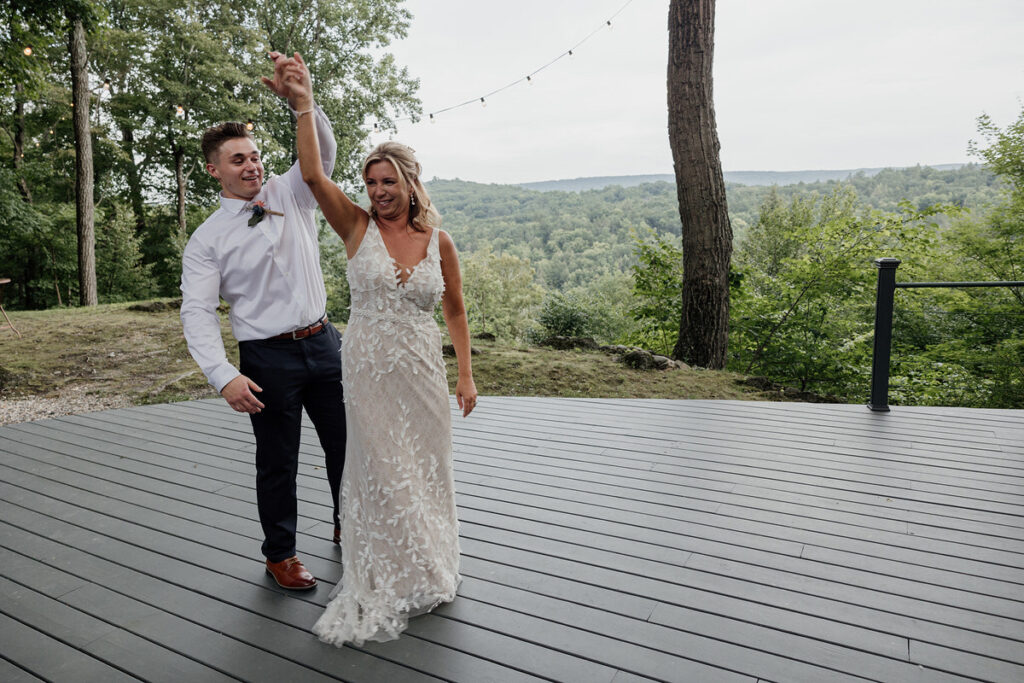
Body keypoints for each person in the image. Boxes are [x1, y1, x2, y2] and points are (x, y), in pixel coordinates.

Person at [272, 54, 477, 646]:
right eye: (371, 183)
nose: (379, 191)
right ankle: (382, 569)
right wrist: (303, 104)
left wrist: (464, 376)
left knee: (427, 467)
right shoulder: (356, 227)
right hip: (365, 371)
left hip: (422, 374)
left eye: (389, 182)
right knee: (382, 469)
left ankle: (426, 563)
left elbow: (456, 310)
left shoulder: (439, 241)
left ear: (410, 183)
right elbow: (312, 176)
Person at [180, 52, 345, 591]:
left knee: (350, 445)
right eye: (237, 160)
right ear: (214, 170)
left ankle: (353, 523)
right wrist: (221, 374)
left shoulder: (291, 191)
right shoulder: (205, 241)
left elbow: (324, 156)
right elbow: (198, 312)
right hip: (267, 359)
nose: (251, 166)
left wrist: (305, 100)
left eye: (254, 157)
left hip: (325, 343)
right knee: (278, 461)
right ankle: (281, 555)